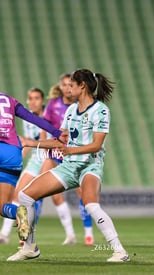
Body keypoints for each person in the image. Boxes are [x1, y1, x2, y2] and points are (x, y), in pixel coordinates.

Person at [15, 68, 130, 262]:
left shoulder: (101, 110)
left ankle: (120, 251)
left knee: (91, 205)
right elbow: (61, 140)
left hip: (90, 167)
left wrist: (70, 150)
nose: (67, 89)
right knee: (24, 196)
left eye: (71, 85)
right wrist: (29, 142)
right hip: (68, 167)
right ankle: (29, 247)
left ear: (82, 86)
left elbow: (96, 146)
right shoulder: (70, 110)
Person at [0, 60, 66, 262]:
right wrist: (57, 132)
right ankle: (20, 213)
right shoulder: (8, 99)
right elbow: (32, 118)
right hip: (12, 153)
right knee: (4, 206)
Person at [0, 87, 46, 246]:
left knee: (45, 198)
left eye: (37, 98)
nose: (33, 101)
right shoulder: (27, 120)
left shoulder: (48, 116)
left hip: (48, 161)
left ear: (43, 101)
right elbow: (26, 143)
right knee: (16, 196)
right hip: (35, 161)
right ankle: (8, 233)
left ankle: (74, 234)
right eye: (30, 98)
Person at [39, 74, 94, 246]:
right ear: (60, 87)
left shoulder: (80, 106)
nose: (67, 88)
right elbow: (43, 125)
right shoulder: (54, 104)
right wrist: (43, 146)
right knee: (45, 188)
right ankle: (70, 235)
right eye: (64, 85)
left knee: (83, 194)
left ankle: (88, 234)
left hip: (73, 153)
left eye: (69, 85)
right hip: (56, 152)